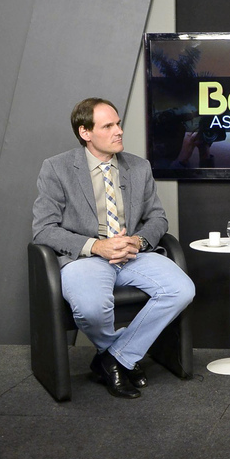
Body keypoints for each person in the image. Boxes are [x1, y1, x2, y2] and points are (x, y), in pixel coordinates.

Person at [32, 97, 195, 399]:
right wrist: (97, 246)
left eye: (118, 124)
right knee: (92, 309)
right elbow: (43, 228)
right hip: (85, 258)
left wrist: (138, 241)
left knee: (182, 289)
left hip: (133, 254)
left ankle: (114, 359)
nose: (119, 131)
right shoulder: (56, 168)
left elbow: (158, 218)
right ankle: (121, 357)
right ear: (85, 132)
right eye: (108, 126)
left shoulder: (139, 167)